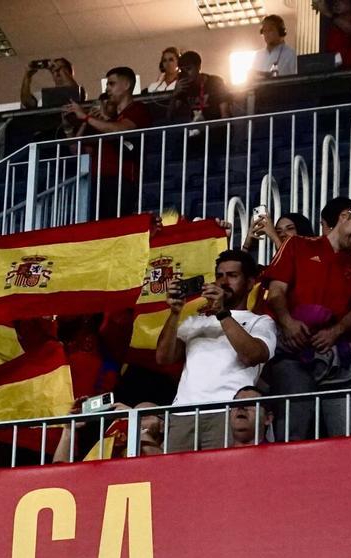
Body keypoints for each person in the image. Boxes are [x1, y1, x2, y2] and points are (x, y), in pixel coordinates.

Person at [265, 199, 351, 440]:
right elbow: (276, 291)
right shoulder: (296, 245)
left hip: (336, 354)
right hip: (293, 351)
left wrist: (336, 331)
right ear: (344, 216)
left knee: (346, 434)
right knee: (292, 433)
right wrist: (287, 323)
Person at [157, 249, 277, 451]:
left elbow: (252, 355)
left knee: (221, 479)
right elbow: (163, 357)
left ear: (249, 283)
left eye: (232, 276)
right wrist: (175, 313)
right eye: (219, 276)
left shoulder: (261, 322)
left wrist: (222, 312)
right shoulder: (196, 320)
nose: (223, 281)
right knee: (177, 480)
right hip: (183, 414)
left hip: (228, 412)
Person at [65, 66, 153, 220]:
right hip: (97, 182)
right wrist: (69, 129)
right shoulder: (107, 121)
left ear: (126, 85)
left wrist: (85, 117)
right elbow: (78, 151)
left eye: (111, 84)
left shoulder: (137, 109)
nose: (107, 89)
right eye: (107, 85)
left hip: (121, 181)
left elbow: (119, 130)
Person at [168, 51, 231, 123]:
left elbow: (225, 114)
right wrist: (175, 94)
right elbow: (170, 117)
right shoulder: (184, 87)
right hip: (196, 130)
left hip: (215, 129)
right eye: (182, 70)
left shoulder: (215, 82)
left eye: (189, 69)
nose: (186, 73)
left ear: (198, 67)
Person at [313, 0, 351, 70]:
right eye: (334, 1)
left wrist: (329, 14)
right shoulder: (334, 28)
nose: (336, 3)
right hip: (335, 74)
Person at [247, 211, 316, 253]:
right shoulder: (275, 264)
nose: (282, 234)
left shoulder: (316, 256)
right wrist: (246, 245)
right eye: (278, 232)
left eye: (290, 228)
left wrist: (274, 236)